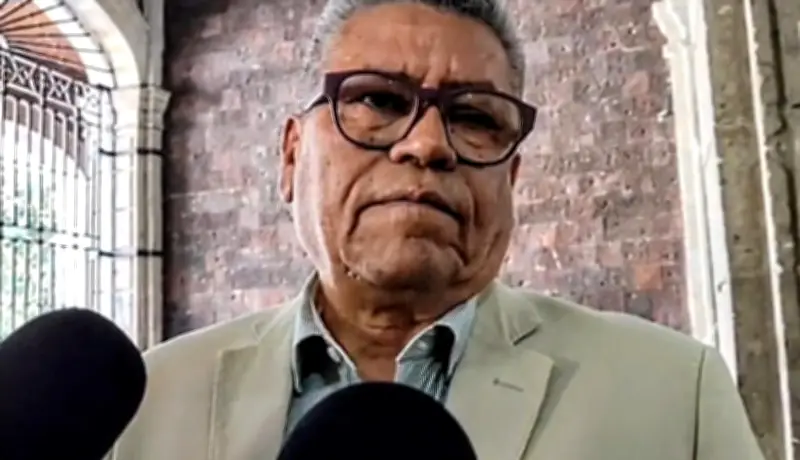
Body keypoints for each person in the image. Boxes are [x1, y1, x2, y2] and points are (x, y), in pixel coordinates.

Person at [110, 0, 766, 459]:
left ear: (510, 179)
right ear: (291, 156)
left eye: (475, 117)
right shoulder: (151, 401)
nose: (427, 145)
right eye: (378, 100)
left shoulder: (672, 394)